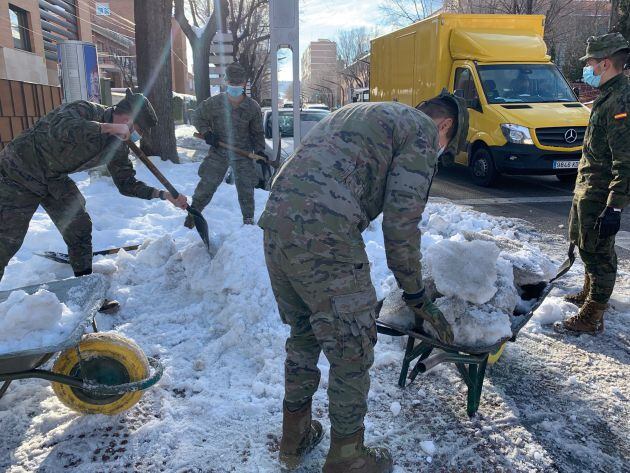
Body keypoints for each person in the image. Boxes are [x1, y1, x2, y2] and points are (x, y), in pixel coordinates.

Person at [258, 91, 469, 472]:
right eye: (446, 147)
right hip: (326, 233)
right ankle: (348, 457)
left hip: (276, 225)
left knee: (305, 332)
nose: (439, 152)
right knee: (351, 348)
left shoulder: (361, 113)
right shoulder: (421, 131)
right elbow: (402, 224)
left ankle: (294, 436)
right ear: (445, 126)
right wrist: (416, 294)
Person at [0, 89, 188, 295]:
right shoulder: (85, 110)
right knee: (8, 240)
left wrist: (164, 195)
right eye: (136, 130)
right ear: (126, 118)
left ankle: (85, 289)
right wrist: (107, 128)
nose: (134, 137)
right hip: (18, 171)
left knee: (79, 227)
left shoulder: (118, 144)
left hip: (54, 177)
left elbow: (126, 184)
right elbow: (60, 127)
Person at [559, 33, 630, 334]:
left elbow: (625, 160)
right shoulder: (609, 94)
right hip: (589, 185)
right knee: (586, 244)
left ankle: (593, 314)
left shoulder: (620, 100)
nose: (586, 69)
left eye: (589, 63)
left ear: (604, 63)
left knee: (599, 252)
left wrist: (614, 207)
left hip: (601, 191)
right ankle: (590, 292)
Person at [186, 62, 267, 227]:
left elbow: (257, 133)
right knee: (207, 184)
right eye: (232, 84)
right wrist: (207, 132)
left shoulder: (252, 107)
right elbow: (197, 117)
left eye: (238, 84)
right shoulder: (214, 103)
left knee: (246, 189)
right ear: (226, 83)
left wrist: (260, 151)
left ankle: (248, 223)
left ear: (244, 84)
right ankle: (192, 218)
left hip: (243, 153)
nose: (235, 87)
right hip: (219, 151)